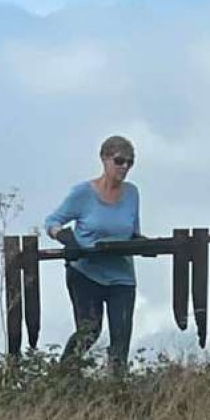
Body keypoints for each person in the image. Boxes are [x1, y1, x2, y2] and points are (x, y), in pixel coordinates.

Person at [45, 135, 141, 376]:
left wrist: (143, 244)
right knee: (89, 331)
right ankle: (63, 378)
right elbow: (52, 221)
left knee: (121, 338)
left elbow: (132, 231)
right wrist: (65, 238)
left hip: (121, 276)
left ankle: (117, 389)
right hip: (86, 273)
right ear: (104, 159)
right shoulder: (83, 193)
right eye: (119, 161)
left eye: (130, 163)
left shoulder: (132, 194)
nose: (124, 167)